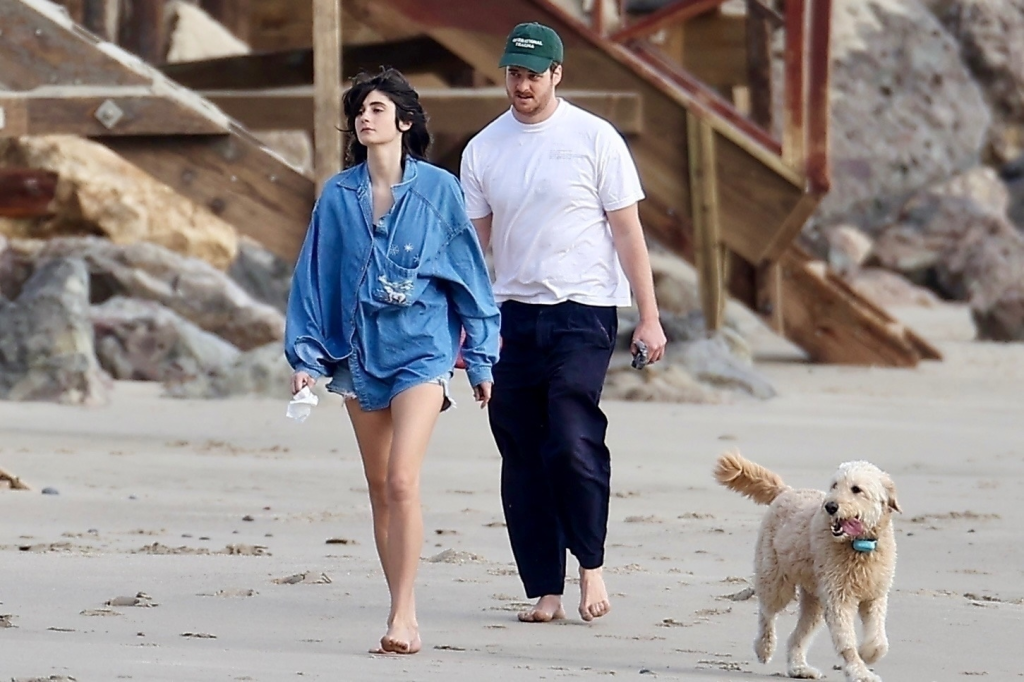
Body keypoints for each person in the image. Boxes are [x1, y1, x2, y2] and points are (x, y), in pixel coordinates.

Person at [285, 68, 501, 654]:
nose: (365, 117)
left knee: (403, 478)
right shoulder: (337, 196)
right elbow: (314, 279)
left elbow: (470, 279)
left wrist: (481, 361)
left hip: (422, 351)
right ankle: (395, 602)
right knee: (380, 485)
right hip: (357, 355)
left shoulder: (440, 191)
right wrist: (306, 357)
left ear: (404, 121)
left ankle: (405, 615)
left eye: (377, 108)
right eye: (359, 110)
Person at [459, 22, 668, 624]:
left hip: (584, 311)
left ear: (556, 74)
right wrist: (463, 327)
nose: (521, 86)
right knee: (522, 453)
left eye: (532, 75)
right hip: (510, 317)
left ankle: (590, 564)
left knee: (572, 440)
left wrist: (649, 318)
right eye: (513, 74)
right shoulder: (483, 149)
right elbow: (472, 250)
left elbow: (627, 233)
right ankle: (545, 588)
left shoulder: (594, 138)